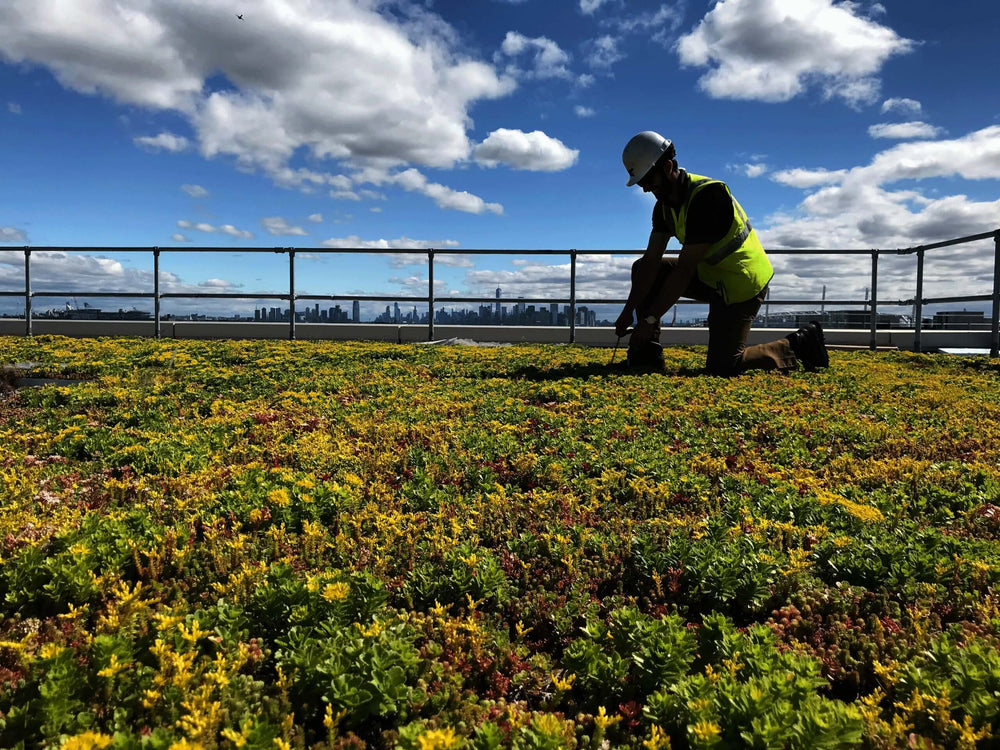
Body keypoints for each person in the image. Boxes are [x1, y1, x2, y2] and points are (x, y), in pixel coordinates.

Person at [615, 131, 828, 375]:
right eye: (642, 184)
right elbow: (651, 262)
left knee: (723, 366)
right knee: (643, 267)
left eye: (649, 181)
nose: (646, 190)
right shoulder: (663, 208)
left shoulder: (708, 197)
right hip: (712, 276)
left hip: (741, 284)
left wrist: (649, 319)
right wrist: (628, 312)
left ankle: (799, 344)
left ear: (668, 166)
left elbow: (684, 271)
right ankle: (647, 356)